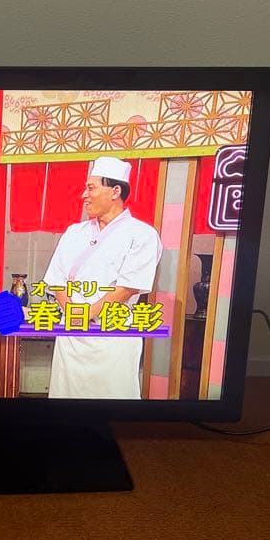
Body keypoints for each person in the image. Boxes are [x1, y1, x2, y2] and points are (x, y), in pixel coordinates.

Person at [43, 157, 162, 399]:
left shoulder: (143, 234)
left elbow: (127, 288)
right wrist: (75, 316)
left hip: (113, 336)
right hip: (72, 336)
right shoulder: (74, 233)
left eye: (91, 188)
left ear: (115, 191)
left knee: (113, 400)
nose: (84, 196)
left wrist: (87, 315)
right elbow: (57, 281)